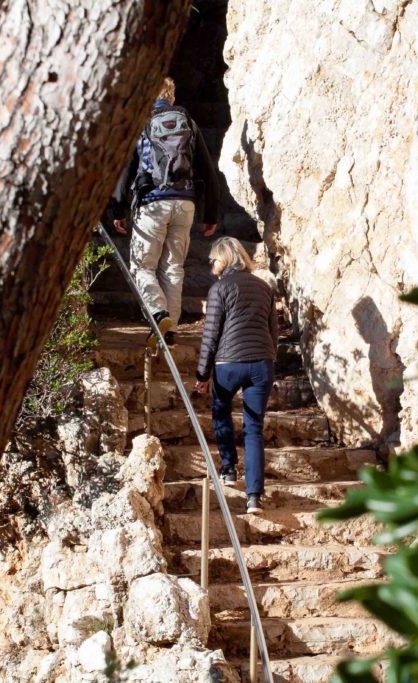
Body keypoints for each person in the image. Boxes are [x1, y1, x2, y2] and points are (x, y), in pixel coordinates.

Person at [111, 77, 220, 347]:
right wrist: (211, 215)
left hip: (152, 203)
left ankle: (159, 314)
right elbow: (208, 171)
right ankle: (169, 330)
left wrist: (117, 208)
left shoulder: (144, 125)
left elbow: (126, 171)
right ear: (171, 96)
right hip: (185, 204)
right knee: (174, 268)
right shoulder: (189, 126)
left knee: (142, 266)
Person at [194, 237, 279, 514]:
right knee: (254, 429)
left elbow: (211, 334)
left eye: (214, 260)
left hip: (228, 364)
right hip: (261, 364)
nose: (212, 266)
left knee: (221, 410)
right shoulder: (264, 287)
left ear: (226, 259)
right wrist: (269, 359)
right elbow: (273, 331)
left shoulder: (220, 288)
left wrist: (202, 373)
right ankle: (254, 497)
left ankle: (228, 468)